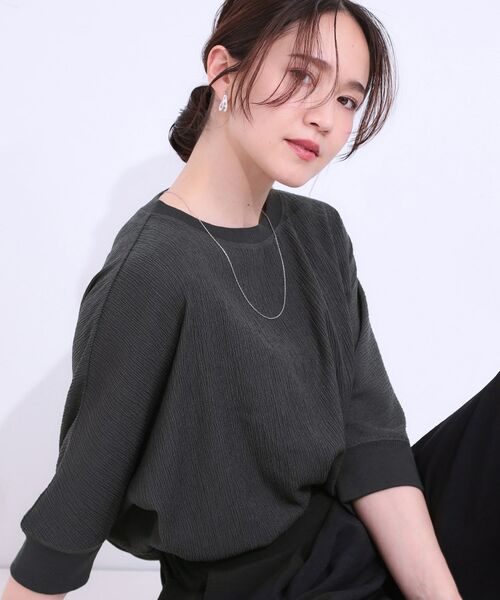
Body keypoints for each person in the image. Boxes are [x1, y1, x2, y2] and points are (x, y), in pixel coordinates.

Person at [3, 0, 497, 598]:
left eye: (347, 99)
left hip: (358, 542)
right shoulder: (154, 269)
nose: (325, 118)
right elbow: (78, 503)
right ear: (223, 70)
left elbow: (370, 442)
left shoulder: (319, 234)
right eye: (302, 76)